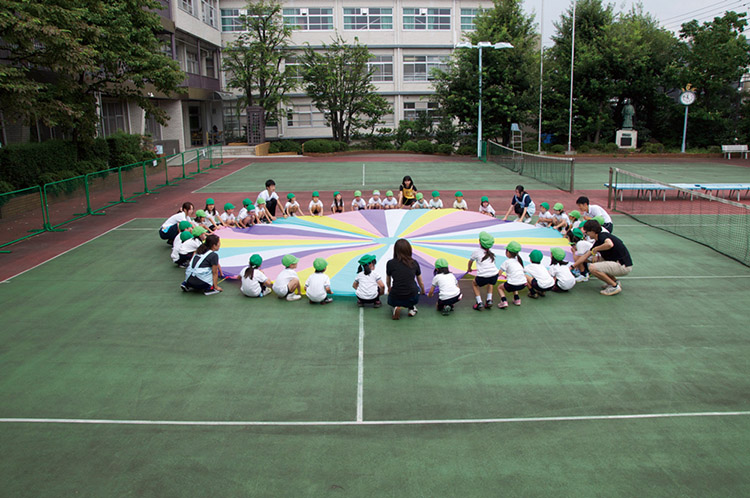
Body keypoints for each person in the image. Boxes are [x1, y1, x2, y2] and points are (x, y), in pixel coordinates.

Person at [576, 219, 633, 296]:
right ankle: (615, 281)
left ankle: (614, 286)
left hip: (623, 266)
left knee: (592, 268)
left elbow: (609, 244)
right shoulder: (598, 240)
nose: (586, 234)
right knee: (596, 261)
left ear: (592, 231)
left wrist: (597, 249)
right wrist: (572, 266)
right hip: (620, 263)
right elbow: (585, 256)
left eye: (587, 232)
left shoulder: (603, 236)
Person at [386, 238, 425, 319]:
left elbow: (388, 280)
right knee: (416, 288)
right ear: (409, 250)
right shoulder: (414, 263)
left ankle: (395, 307)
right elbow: (420, 282)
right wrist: (423, 291)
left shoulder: (390, 263)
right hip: (411, 295)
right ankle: (411, 308)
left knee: (394, 294)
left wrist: (389, 288)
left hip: (395, 296)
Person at [467, 231, 498, 311]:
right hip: (494, 275)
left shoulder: (476, 252)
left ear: (479, 242)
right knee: (490, 283)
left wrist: (469, 268)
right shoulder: (492, 253)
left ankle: (479, 302)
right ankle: (489, 300)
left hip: (483, 276)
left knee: (474, 283)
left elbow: (470, 261)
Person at [497, 241, 526, 308]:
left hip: (512, 284)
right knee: (515, 282)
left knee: (500, 288)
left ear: (508, 252)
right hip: (523, 284)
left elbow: (499, 273)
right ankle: (517, 299)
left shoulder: (506, 262)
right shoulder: (519, 262)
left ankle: (504, 301)